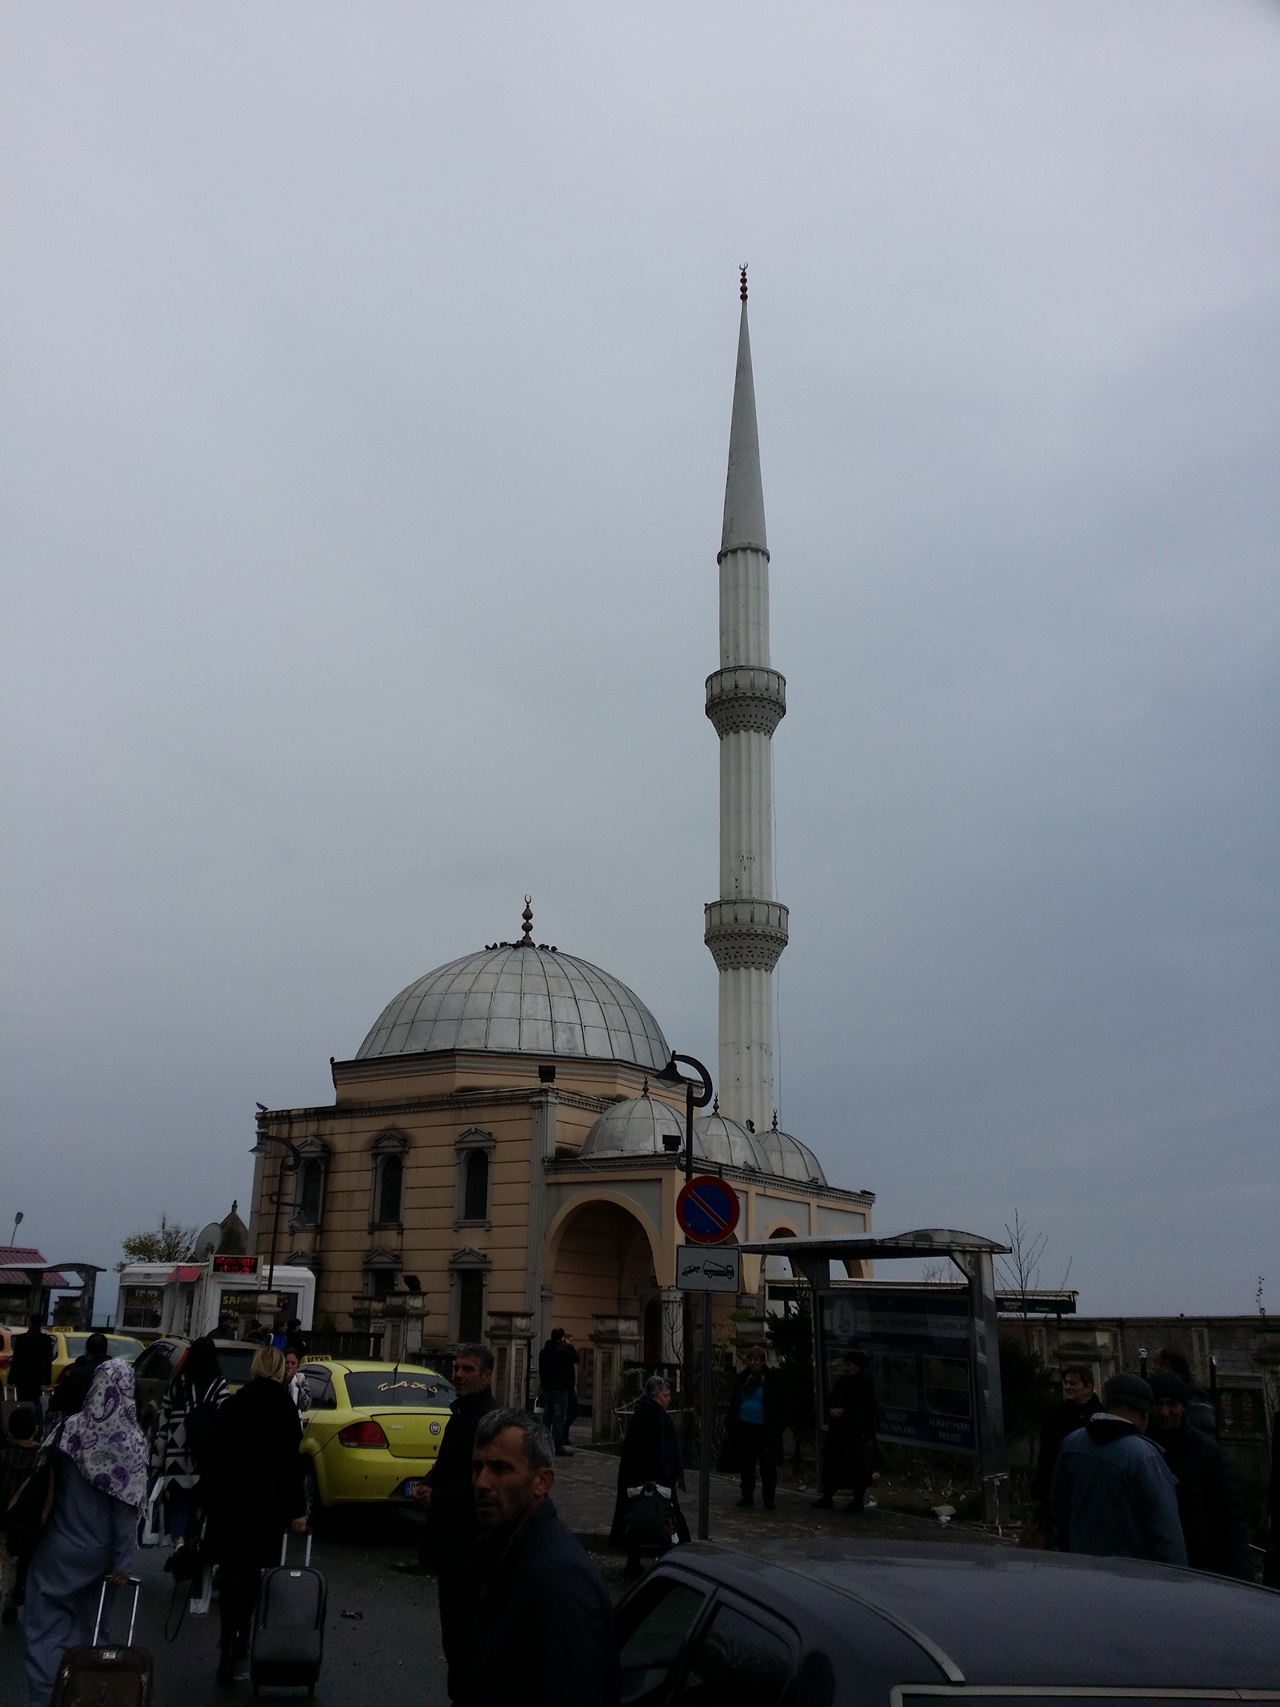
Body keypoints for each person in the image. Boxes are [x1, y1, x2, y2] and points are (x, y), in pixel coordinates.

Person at [469, 1409, 617, 1707]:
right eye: (478, 1467)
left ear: (542, 1482)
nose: (481, 1483)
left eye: (500, 1469)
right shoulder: (504, 1550)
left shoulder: (562, 1582)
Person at [21, 1359, 147, 1707]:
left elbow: (47, 1480)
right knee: (92, 1632)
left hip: (58, 1546)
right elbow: (126, 1511)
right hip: (101, 1556)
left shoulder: (71, 1429)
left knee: (44, 1628)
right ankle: (85, 1696)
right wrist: (123, 1563)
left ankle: (45, 1697)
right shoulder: (132, 1442)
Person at [204, 1345, 306, 1686]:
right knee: (251, 1572)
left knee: (231, 1569)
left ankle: (227, 1639)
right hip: (266, 1502)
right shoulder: (285, 1408)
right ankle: (243, 1634)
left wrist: (206, 1496)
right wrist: (297, 1509)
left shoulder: (235, 1403)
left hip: (230, 1498)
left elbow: (215, 1453)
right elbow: (292, 1463)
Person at [407, 1342, 498, 1706]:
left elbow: (484, 1484)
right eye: (456, 1367)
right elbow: (449, 1465)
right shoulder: (460, 1412)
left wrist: (439, 1497)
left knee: (468, 1638)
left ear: (486, 1376)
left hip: (471, 1548)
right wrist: (428, 1482)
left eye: (467, 1369)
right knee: (454, 1640)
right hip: (451, 1548)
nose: (458, 1374)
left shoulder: (488, 1421)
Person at [1051, 1372, 1186, 1566]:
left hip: (1082, 1565)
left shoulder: (1072, 1443)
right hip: (1132, 1572)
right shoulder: (1145, 1457)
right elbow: (1166, 1530)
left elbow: (1059, 1508)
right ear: (1144, 1413)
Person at [1147, 1371, 1251, 1579]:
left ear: (1183, 1406)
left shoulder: (1207, 1451)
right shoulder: (1142, 1448)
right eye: (1158, 1404)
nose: (1164, 1412)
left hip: (1203, 1565)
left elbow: (1232, 1518)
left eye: (1171, 1404)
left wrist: (1241, 1574)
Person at [150, 1335, 230, 1541]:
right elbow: (225, 1422)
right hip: (205, 1456)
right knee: (199, 1505)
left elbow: (163, 1423)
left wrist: (157, 1460)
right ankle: (191, 1545)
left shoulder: (178, 1383)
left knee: (178, 1503)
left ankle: (178, 1541)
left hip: (176, 1454)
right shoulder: (219, 1384)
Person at [610, 1374, 689, 1578]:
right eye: (665, 1395)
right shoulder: (651, 1415)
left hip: (641, 1476)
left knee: (638, 1517)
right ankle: (680, 1558)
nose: (669, 1399)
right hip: (649, 1478)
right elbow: (649, 1449)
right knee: (663, 1516)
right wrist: (652, 1478)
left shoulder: (649, 1412)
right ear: (655, 1396)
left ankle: (635, 1562)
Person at [1029, 1365, 1104, 1534]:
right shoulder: (1057, 1415)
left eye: (1073, 1383)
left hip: (1086, 1487)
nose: (1068, 1387)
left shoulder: (1099, 1416)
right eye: (1066, 1383)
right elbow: (1046, 1454)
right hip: (1057, 1486)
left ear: (1088, 1387)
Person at [812, 1349, 879, 1512]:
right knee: (832, 1465)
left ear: (857, 1367)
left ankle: (857, 1501)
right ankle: (827, 1497)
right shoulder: (841, 1382)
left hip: (855, 1435)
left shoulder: (864, 1386)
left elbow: (865, 1410)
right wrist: (831, 1410)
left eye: (849, 1365)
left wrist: (847, 1412)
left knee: (857, 1468)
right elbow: (831, 1399)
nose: (846, 1368)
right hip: (837, 1432)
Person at [724, 1344, 786, 1510]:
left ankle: (768, 1498)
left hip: (765, 1428)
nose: (753, 1363)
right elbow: (735, 1400)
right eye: (750, 1359)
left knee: (768, 1465)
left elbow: (779, 1403)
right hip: (745, 1426)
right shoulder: (743, 1378)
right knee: (746, 1463)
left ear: (762, 1361)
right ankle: (747, 1494)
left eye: (756, 1359)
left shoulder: (771, 1380)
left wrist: (778, 1425)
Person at [0, 1406, 42, 1626]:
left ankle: (9, 1601)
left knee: (8, 1562)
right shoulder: (42, 1459)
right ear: (35, 1430)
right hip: (33, 1522)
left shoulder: (3, 1457)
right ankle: (31, 1601)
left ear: (10, 1431)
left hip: (6, 1521)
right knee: (33, 1562)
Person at [1150, 1347, 1218, 1437]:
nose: (1152, 1368)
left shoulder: (1195, 1398)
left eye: (1155, 1362)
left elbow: (1205, 1436)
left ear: (1166, 1366)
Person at [48, 1333, 112, 1418]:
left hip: (83, 1422)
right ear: (106, 1350)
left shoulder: (78, 1374)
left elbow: (56, 1402)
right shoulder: (120, 1372)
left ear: (87, 1351)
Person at [537, 1329, 579, 1457]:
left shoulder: (543, 1351)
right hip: (560, 1388)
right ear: (561, 1338)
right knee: (559, 1417)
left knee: (547, 1417)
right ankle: (557, 1445)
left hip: (547, 1388)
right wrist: (569, 1346)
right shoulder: (562, 1351)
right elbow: (576, 1358)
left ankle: (544, 1443)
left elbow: (541, 1370)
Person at [9, 1316, 54, 1415]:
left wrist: (11, 1380)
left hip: (22, 1376)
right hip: (37, 1376)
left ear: (30, 1323)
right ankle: (34, 1418)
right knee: (35, 1400)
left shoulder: (22, 1339)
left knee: (23, 1400)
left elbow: (16, 1360)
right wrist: (47, 1381)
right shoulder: (46, 1339)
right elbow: (48, 1362)